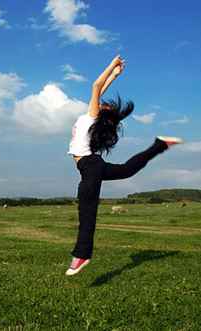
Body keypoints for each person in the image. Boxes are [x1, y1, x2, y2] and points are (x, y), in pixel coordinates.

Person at [65, 55, 183, 276]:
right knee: (127, 170)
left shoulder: (92, 116)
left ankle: (82, 255)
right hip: (92, 165)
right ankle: (160, 145)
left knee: (87, 210)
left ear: (102, 112)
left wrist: (111, 65)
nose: (100, 101)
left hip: (90, 166)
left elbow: (96, 86)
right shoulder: (90, 116)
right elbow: (100, 89)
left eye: (104, 104)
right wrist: (116, 75)